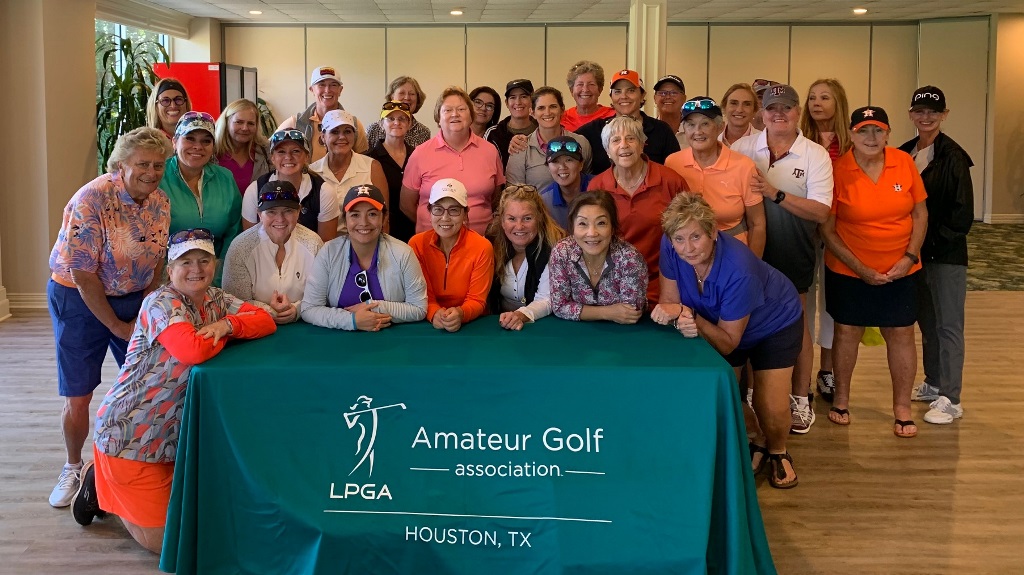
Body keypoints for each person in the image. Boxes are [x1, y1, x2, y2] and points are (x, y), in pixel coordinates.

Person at [73, 228, 276, 551]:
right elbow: (192, 350)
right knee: (170, 546)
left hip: (170, 440)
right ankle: (99, 482)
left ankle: (106, 482)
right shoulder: (160, 302)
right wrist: (227, 334)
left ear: (215, 265)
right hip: (129, 438)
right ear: (170, 270)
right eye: (185, 262)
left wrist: (227, 324)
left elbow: (265, 319)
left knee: (194, 528)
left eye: (204, 260)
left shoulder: (217, 299)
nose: (196, 269)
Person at [45, 127, 173, 509]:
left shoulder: (161, 201)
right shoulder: (92, 199)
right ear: (120, 165)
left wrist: (145, 308)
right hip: (77, 297)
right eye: (142, 164)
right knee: (79, 393)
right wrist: (118, 327)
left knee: (145, 383)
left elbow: (157, 259)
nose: (151, 172)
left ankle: (133, 462)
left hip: (132, 295)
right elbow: (83, 275)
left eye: (158, 165)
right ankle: (72, 467)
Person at [652, 193, 803, 488]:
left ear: (713, 232)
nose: (687, 248)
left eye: (696, 237)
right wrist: (679, 315)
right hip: (715, 322)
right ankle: (756, 439)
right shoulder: (671, 246)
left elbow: (728, 344)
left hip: (773, 323)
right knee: (722, 392)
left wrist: (690, 316)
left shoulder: (739, 268)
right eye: (679, 239)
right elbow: (670, 302)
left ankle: (777, 449)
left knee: (770, 406)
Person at [731, 84, 833, 435]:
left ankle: (800, 398)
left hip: (793, 248)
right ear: (762, 113)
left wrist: (775, 194)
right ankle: (749, 395)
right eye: (772, 108)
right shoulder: (743, 147)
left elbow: (820, 211)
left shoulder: (815, 154)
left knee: (796, 324)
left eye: (786, 108)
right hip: (749, 248)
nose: (779, 114)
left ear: (797, 112)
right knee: (748, 320)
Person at [821, 106, 928, 438]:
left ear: (887, 134)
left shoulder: (904, 162)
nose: (871, 137)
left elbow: (920, 214)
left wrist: (909, 257)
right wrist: (860, 268)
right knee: (847, 332)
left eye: (878, 130)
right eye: (863, 131)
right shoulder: (838, 170)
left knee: (901, 333)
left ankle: (902, 408)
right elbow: (827, 229)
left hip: (902, 269)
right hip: (849, 269)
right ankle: (841, 400)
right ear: (851, 135)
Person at [898, 86, 974, 425]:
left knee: (948, 326)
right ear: (911, 114)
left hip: (945, 256)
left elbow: (961, 217)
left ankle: (952, 398)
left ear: (944, 115)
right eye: (919, 111)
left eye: (933, 111)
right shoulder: (905, 152)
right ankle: (933, 382)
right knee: (927, 322)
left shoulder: (954, 157)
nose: (925, 117)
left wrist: (929, 245)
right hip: (914, 255)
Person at [587, 116, 688, 305]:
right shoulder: (597, 186)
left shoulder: (670, 181)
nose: (624, 145)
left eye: (631, 138)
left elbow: (688, 234)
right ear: (607, 151)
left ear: (642, 145)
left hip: (665, 282)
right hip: (614, 286)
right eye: (615, 140)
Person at [301, 184, 428, 330]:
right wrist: (352, 320)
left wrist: (374, 307)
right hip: (340, 340)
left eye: (372, 214)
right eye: (355, 215)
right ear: (345, 219)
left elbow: (419, 308)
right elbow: (309, 309)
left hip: (391, 339)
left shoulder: (403, 253)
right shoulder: (328, 252)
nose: (364, 223)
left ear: (384, 218)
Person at [799, 79, 853, 403]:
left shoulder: (851, 144)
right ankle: (802, 373)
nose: (816, 103)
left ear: (838, 103)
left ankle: (827, 370)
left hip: (839, 231)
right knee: (803, 302)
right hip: (805, 229)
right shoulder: (800, 140)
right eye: (812, 98)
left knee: (833, 303)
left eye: (824, 97)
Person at [665, 96, 765, 255]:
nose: (698, 131)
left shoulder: (744, 166)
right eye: (691, 124)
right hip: (687, 253)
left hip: (732, 251)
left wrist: (753, 264)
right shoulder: (673, 163)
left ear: (720, 127)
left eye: (705, 123)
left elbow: (757, 223)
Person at [401, 86, 505, 236]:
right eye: (447, 110)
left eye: (461, 109)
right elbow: (406, 204)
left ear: (471, 115)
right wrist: (437, 227)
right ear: (438, 118)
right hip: (431, 242)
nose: (455, 114)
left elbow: (495, 199)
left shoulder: (490, 151)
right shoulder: (420, 154)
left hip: (481, 242)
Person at [223, 181, 324, 323]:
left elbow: (322, 295)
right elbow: (233, 301)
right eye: (271, 212)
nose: (280, 219)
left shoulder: (314, 243)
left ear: (298, 212)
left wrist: (298, 310)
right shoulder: (240, 247)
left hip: (305, 325)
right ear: (259, 214)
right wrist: (268, 311)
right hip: (254, 326)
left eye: (288, 211)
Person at [161, 111, 241, 286]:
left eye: (206, 141)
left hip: (215, 278)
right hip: (167, 279)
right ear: (174, 142)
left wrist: (218, 276)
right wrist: (169, 278)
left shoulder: (225, 178)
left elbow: (234, 231)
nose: (198, 146)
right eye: (190, 138)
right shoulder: (158, 177)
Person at [409, 179, 495, 332]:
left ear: (465, 214)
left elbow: (477, 299)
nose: (445, 217)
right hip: (427, 323)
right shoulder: (416, 244)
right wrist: (434, 313)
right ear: (429, 211)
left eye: (454, 210)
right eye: (438, 209)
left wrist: (461, 314)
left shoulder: (482, 247)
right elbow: (421, 293)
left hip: (473, 325)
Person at [549, 191, 648, 322]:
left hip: (623, 331)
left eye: (601, 223)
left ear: (612, 228)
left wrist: (581, 311)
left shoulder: (629, 258)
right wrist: (606, 313)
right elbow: (559, 306)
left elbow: (630, 313)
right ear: (572, 228)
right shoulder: (562, 252)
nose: (592, 233)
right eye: (582, 223)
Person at [488, 184, 565, 330]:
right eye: (511, 219)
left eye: (527, 218)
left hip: (543, 327)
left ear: (539, 218)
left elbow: (547, 299)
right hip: (500, 326)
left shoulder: (555, 248)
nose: (519, 226)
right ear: (502, 221)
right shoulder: (490, 244)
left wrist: (520, 315)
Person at [241, 128, 339, 242]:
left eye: (296, 151)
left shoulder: (324, 192)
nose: (288, 157)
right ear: (272, 157)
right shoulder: (255, 190)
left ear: (307, 156)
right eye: (281, 152)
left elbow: (325, 245)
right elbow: (249, 241)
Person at [576, 69, 680, 175]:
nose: (624, 96)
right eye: (617, 91)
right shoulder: (593, 131)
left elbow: (674, 171)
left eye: (631, 90)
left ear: (642, 95)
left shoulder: (661, 130)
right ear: (611, 97)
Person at [308, 110, 387, 233]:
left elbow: (384, 216)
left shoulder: (372, 167)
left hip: (365, 240)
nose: (342, 137)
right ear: (323, 137)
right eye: (334, 132)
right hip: (324, 242)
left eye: (347, 131)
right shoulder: (312, 172)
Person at [505, 86, 591, 190]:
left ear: (562, 109)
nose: (547, 112)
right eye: (541, 108)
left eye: (553, 106)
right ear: (532, 112)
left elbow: (588, 185)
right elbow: (513, 194)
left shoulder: (581, 143)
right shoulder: (520, 147)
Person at [277, 66, 368, 162]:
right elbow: (271, 152)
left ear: (340, 90)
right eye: (321, 85)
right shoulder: (295, 123)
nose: (327, 90)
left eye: (333, 85)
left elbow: (363, 162)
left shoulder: (354, 125)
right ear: (312, 89)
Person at [366, 101, 418, 242]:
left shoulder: (418, 155)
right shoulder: (369, 159)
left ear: (409, 124)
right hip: (382, 232)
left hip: (414, 230)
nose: (396, 122)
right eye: (390, 119)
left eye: (402, 119)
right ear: (381, 124)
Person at [214, 98, 271, 196]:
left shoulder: (266, 151)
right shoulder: (211, 152)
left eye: (250, 123)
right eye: (239, 122)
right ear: (226, 122)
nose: (245, 128)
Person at [540, 136, 594, 230]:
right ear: (548, 167)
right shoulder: (544, 201)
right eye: (555, 161)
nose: (562, 166)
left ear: (581, 164)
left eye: (569, 160)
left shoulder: (599, 187)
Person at [365, 76, 431, 149]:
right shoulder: (373, 130)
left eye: (412, 94)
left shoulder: (423, 132)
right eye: (402, 93)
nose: (407, 98)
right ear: (392, 97)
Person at [485, 79, 538, 168]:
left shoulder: (542, 129)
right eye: (512, 97)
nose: (518, 102)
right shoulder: (493, 134)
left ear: (532, 101)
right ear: (506, 103)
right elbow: (486, 166)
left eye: (523, 96)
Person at [561, 60, 616, 132]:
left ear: (600, 89)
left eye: (591, 84)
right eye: (580, 84)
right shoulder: (562, 118)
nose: (585, 89)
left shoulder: (613, 116)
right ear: (571, 90)